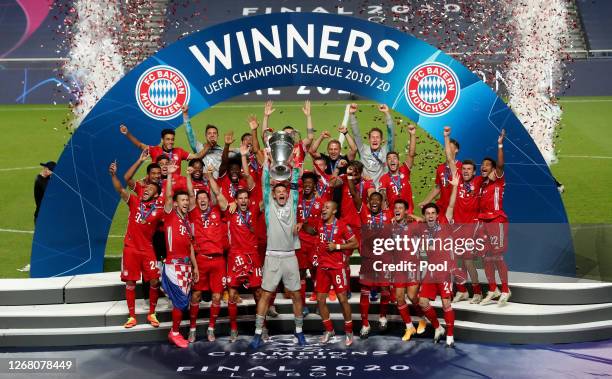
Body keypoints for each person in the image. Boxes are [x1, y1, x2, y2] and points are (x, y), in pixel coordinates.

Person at [249, 156, 306, 349]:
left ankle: (299, 332)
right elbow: (265, 184)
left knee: (297, 296)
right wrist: (266, 163)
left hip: (290, 256)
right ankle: (257, 333)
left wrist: (296, 166)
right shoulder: (269, 205)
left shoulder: (293, 203)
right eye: (278, 191)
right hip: (272, 256)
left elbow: (296, 184)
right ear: (273, 195)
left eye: (284, 191)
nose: (281, 193)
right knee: (265, 295)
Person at [108, 161, 163, 329]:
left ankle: (152, 313)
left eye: (151, 190)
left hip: (147, 249)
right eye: (146, 188)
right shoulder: (134, 201)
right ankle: (132, 316)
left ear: (155, 195)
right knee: (130, 283)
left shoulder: (159, 210)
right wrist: (113, 175)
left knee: (154, 281)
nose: (146, 190)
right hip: (131, 249)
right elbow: (120, 189)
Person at [417, 173, 459, 348]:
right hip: (432, 271)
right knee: (422, 302)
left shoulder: (445, 222)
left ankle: (450, 335)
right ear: (425, 216)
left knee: (446, 302)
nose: (431, 215)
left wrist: (455, 186)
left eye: (433, 212)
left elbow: (450, 204)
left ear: (437, 214)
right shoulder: (422, 229)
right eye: (428, 213)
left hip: (446, 270)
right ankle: (437, 327)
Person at [187, 165, 228, 343]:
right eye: (199, 198)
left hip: (218, 261)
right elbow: (189, 195)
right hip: (201, 261)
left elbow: (218, 194)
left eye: (205, 197)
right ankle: (193, 329)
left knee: (217, 296)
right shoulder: (193, 212)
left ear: (208, 200)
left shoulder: (217, 211)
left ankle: (211, 328)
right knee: (195, 295)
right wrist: (188, 176)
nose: (202, 200)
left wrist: (210, 176)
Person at [442, 128, 484, 304]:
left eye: (469, 169)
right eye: (464, 169)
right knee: (454, 259)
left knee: (467, 261)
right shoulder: (457, 178)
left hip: (471, 226)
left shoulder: (479, 182)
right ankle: (462, 290)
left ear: (474, 172)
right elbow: (450, 158)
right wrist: (446, 136)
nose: (466, 171)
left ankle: (478, 292)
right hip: (456, 225)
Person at [161, 163, 199, 349]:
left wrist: (195, 267)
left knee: (183, 302)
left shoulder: (186, 220)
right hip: (174, 266)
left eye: (186, 200)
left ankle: (175, 332)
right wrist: (169, 176)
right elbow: (168, 196)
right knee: (181, 301)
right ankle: (174, 332)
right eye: (182, 200)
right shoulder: (170, 214)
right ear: (176, 203)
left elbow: (190, 246)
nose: (185, 202)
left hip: (186, 267)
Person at [350, 189, 393, 338]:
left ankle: (382, 317)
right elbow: (355, 196)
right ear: (368, 203)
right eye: (372, 200)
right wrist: (350, 177)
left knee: (385, 288)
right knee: (365, 291)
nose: (374, 202)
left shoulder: (389, 215)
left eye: (377, 200)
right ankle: (365, 324)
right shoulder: (364, 214)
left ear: (382, 203)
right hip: (368, 259)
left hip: (385, 258)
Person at [315, 201, 359, 346]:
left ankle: (349, 331)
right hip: (322, 268)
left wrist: (337, 246)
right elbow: (310, 230)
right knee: (320, 300)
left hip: (337, 268)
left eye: (327, 207)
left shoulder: (342, 225)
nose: (323, 209)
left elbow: (355, 243)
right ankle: (329, 330)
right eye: (323, 207)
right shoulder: (319, 223)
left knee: (342, 300)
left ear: (334, 211)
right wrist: (302, 225)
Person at [225, 187, 263, 342]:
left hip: (253, 257)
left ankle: (262, 327)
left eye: (245, 198)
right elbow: (218, 195)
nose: (243, 201)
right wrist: (209, 175)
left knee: (258, 294)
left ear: (249, 199)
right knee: (232, 294)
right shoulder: (230, 211)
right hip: (236, 257)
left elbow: (267, 198)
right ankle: (233, 329)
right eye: (240, 198)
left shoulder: (254, 210)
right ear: (236, 200)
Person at [478, 129, 511, 306]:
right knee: (485, 256)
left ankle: (505, 289)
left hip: (497, 221)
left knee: (497, 257)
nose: (483, 167)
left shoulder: (498, 179)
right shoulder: (482, 185)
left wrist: (500, 144)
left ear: (493, 169)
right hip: (483, 222)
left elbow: (500, 164)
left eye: (486, 165)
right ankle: (493, 288)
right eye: (481, 165)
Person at [389, 199, 427, 341]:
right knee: (399, 298)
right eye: (396, 207)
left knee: (412, 297)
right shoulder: (391, 226)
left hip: (412, 265)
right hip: (398, 267)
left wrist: (413, 216)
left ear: (405, 211)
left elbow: (427, 222)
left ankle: (423, 318)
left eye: (401, 208)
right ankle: (409, 326)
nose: (397, 210)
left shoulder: (414, 225)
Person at [296, 172, 325, 314]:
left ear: (315, 186)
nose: (307, 185)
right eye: (305, 183)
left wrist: (316, 229)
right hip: (300, 243)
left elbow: (326, 222)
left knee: (318, 273)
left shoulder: (321, 202)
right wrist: (302, 224)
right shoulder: (297, 200)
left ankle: (320, 304)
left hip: (315, 243)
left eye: (310, 183)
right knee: (301, 273)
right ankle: (302, 305)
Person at [119, 124, 207, 170]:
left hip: (174, 189)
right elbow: (139, 145)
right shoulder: (154, 150)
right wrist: (127, 133)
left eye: (172, 139)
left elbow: (197, 157)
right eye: (168, 139)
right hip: (158, 190)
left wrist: (208, 146)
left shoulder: (179, 151)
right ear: (162, 140)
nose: (170, 142)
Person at [348, 103, 395, 187]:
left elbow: (391, 135)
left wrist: (387, 113)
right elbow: (356, 134)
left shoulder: (387, 151)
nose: (375, 139)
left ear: (381, 140)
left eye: (377, 137)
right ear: (369, 140)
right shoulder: (363, 150)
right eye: (372, 137)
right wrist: (352, 114)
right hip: (365, 189)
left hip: (382, 190)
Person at [378, 123, 417, 212]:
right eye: (389, 159)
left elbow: (411, 154)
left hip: (408, 214)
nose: (392, 160)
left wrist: (413, 135)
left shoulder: (405, 170)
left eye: (394, 158)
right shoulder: (384, 179)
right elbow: (382, 194)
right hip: (393, 216)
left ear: (398, 161)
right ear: (387, 163)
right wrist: (383, 203)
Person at [419, 137, 462, 214]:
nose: (447, 149)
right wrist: (426, 201)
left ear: (456, 150)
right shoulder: (440, 168)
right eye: (446, 147)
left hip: (456, 206)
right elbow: (438, 187)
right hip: (442, 206)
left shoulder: (461, 167)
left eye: (450, 147)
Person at [182, 105, 226, 177]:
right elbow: (189, 133)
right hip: (203, 185)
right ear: (205, 136)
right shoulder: (198, 147)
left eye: (214, 133)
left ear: (218, 136)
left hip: (216, 185)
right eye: (209, 133)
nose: (212, 135)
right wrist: (185, 114)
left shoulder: (222, 151)